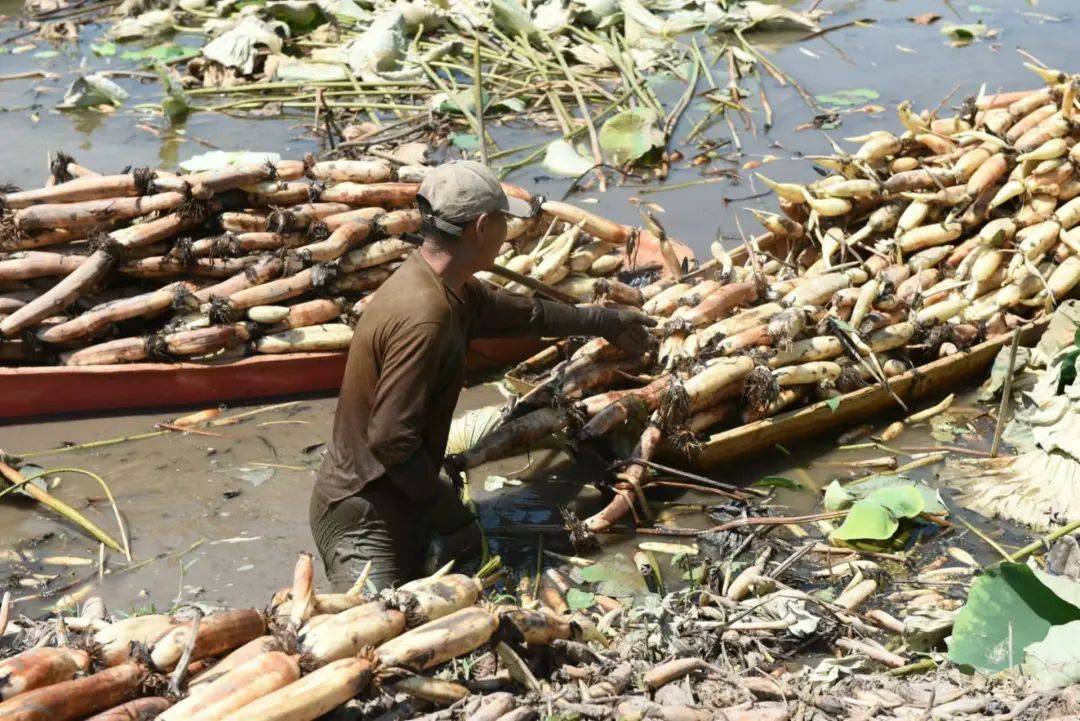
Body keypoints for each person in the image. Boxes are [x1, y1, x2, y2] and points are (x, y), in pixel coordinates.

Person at [310, 161, 656, 591]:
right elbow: (390, 440)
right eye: (503, 222)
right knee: (373, 638)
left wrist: (603, 321)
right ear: (482, 226)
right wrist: (452, 516)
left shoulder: (448, 286)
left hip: (395, 496)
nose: (505, 231)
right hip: (363, 516)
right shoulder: (426, 316)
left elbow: (528, 314)